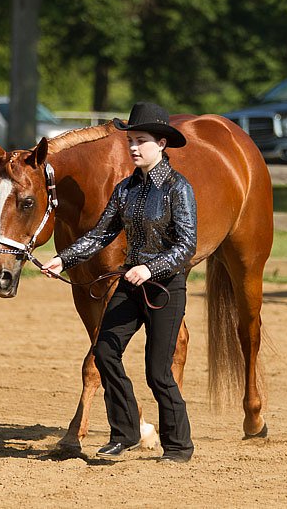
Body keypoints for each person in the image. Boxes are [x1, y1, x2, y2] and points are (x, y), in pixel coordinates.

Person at [41, 102, 197, 463]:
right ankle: (124, 432)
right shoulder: (127, 188)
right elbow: (101, 234)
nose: (133, 148)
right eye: (130, 141)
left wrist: (151, 268)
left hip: (165, 289)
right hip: (130, 286)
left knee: (158, 372)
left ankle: (178, 447)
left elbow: (186, 244)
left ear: (162, 143)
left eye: (140, 141)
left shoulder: (178, 188)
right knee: (105, 351)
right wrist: (63, 259)